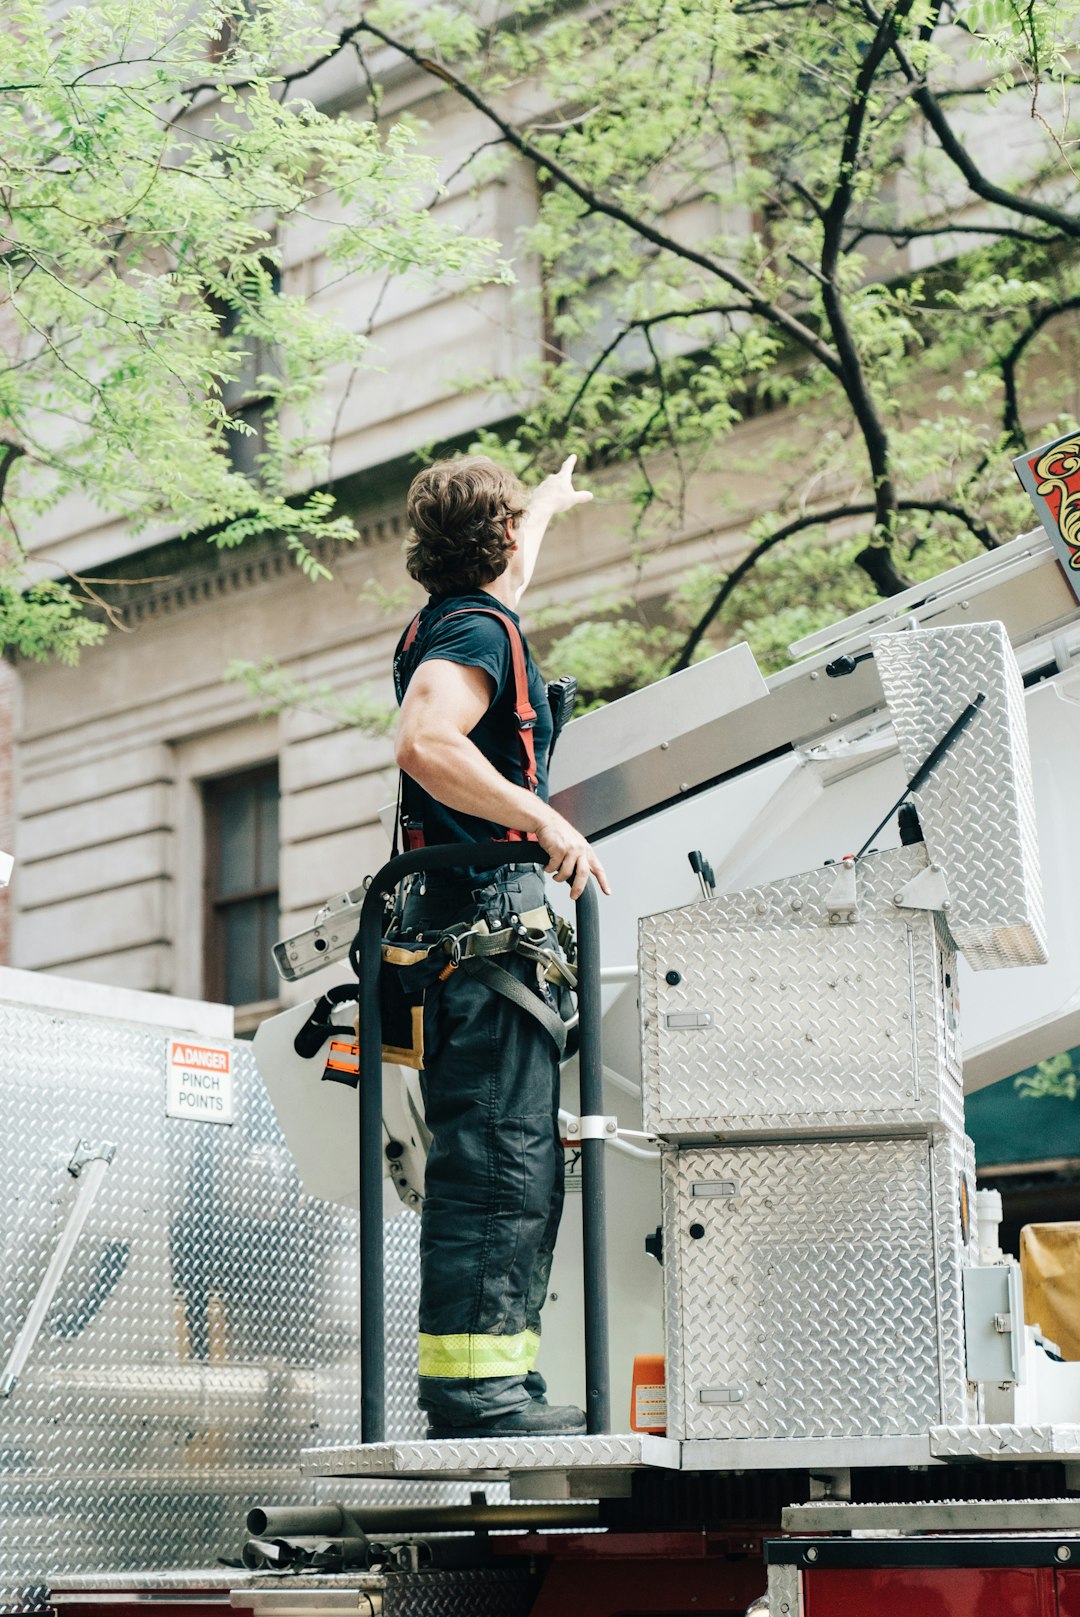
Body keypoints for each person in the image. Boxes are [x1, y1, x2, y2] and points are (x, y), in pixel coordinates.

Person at [393, 452, 610, 1440]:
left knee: (513, 1162)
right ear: (502, 536)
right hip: (482, 938)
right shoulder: (474, 633)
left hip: (478, 939)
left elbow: (508, 579)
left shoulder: (471, 612)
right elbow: (426, 742)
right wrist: (547, 822)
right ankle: (478, 1395)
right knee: (498, 1166)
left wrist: (548, 507)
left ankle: (497, 1388)